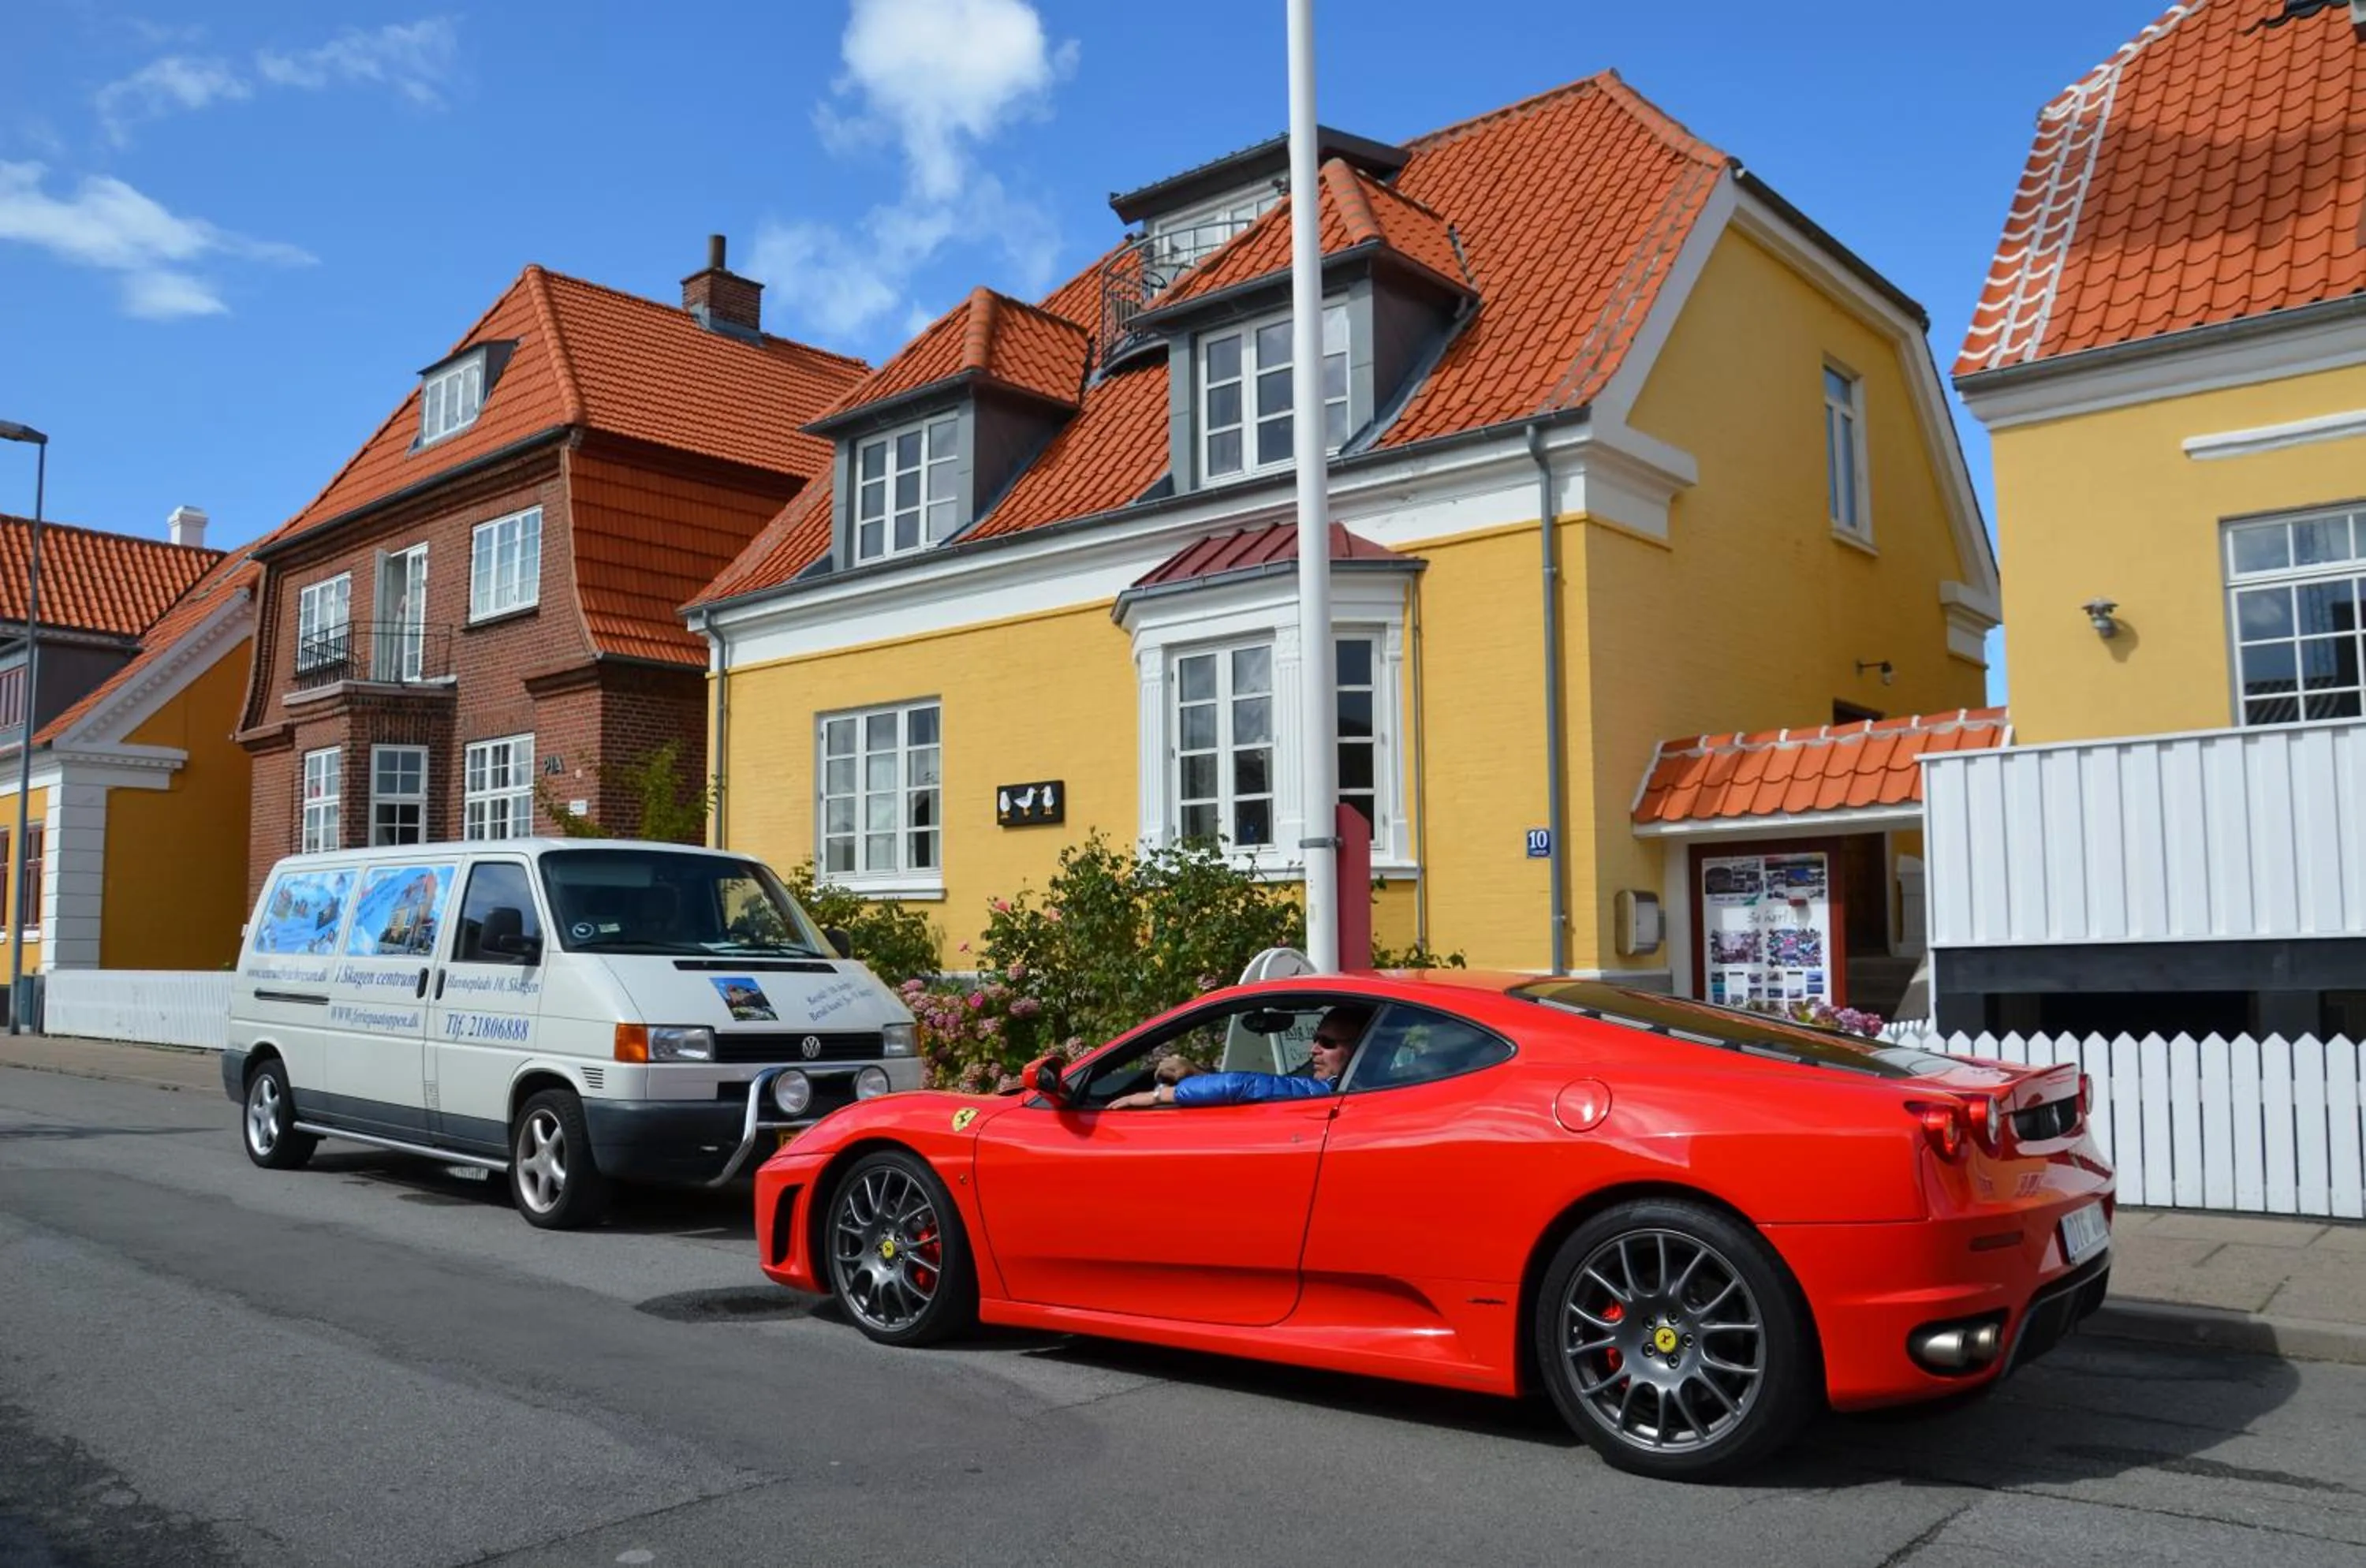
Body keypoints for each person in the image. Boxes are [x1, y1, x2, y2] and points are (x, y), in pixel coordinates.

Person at [1108, 1003, 1373, 1108]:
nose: (1313, 1049)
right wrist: (1199, 1075)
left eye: (1327, 1043)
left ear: (1360, 1048)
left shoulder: (1335, 1091)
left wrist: (1156, 1096)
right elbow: (1275, 1087)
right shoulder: (1368, 1084)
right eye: (1315, 1040)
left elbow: (1244, 1086)